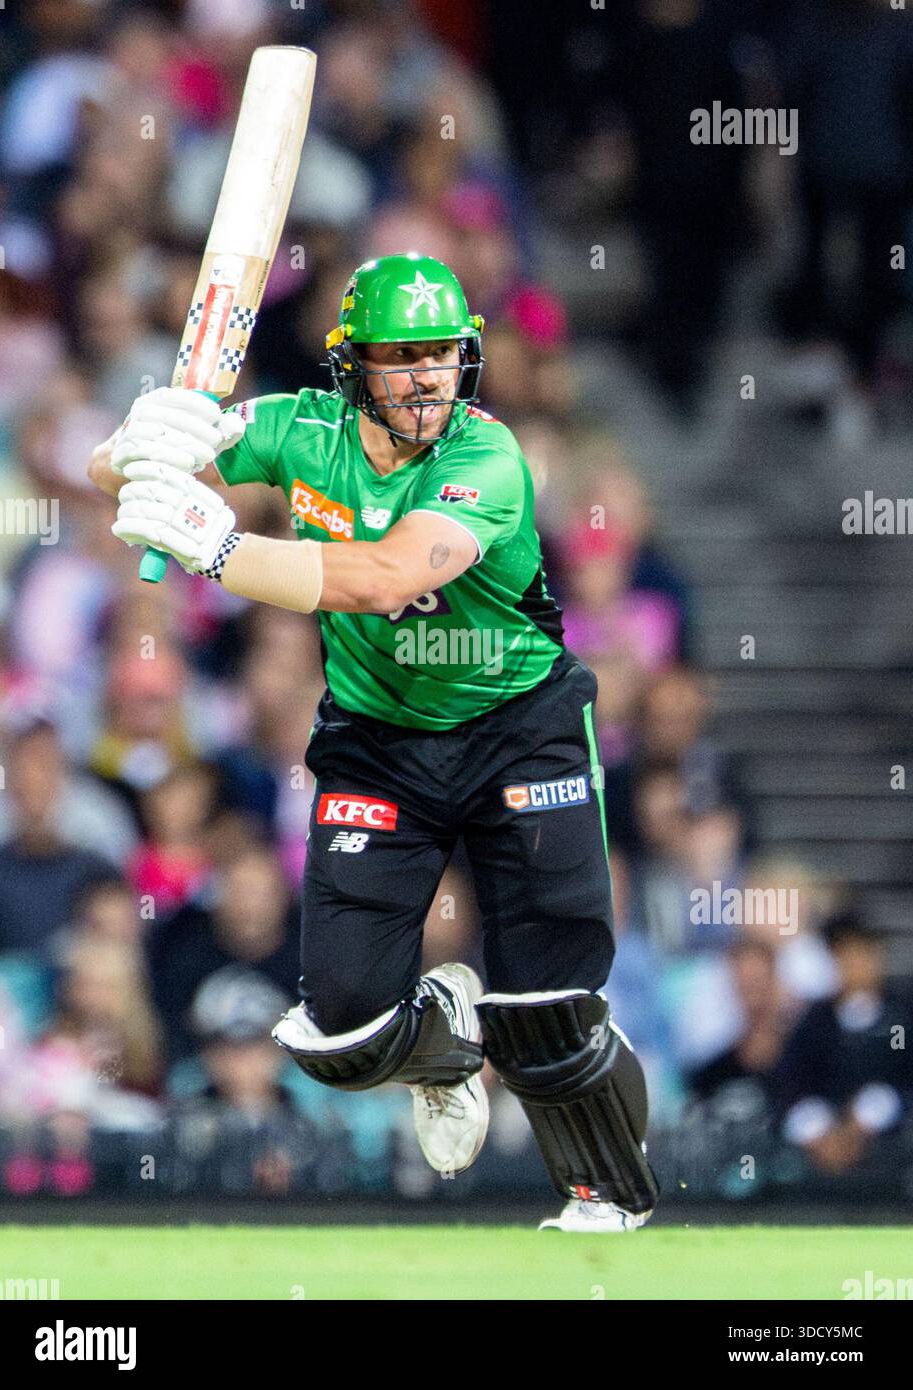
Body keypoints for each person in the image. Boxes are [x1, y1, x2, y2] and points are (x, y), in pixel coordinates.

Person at [88, 252, 659, 1232]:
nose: (427, 376)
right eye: (401, 357)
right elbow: (119, 477)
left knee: (547, 1015)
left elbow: (387, 576)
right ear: (351, 365)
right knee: (338, 1033)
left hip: (517, 726)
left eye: (442, 352)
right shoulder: (300, 431)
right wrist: (137, 444)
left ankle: (608, 1193)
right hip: (378, 736)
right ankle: (443, 1049)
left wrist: (219, 549)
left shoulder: (489, 460)